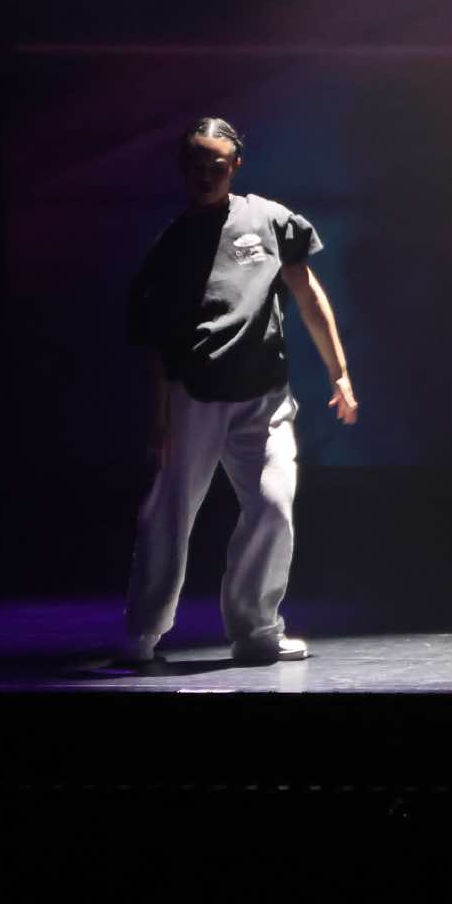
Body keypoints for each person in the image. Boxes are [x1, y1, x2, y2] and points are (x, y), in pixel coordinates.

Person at [118, 117, 358, 666]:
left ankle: (256, 630)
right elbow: (154, 339)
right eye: (196, 166)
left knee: (273, 507)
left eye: (217, 166)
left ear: (235, 166)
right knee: (169, 514)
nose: (206, 176)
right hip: (195, 397)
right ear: (183, 169)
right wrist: (160, 414)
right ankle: (143, 632)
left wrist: (339, 372)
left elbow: (308, 295)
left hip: (263, 397)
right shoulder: (172, 244)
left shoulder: (268, 219)